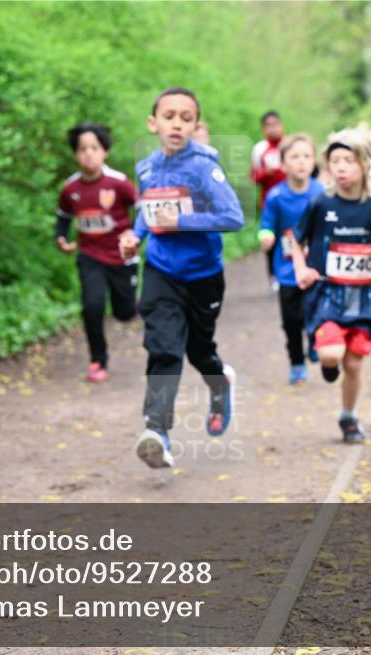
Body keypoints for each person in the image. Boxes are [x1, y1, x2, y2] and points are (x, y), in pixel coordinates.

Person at [118, 87, 244, 468]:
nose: (177, 123)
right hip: (160, 270)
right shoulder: (147, 168)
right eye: (169, 116)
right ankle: (157, 430)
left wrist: (182, 222)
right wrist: (134, 237)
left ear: (195, 125)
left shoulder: (205, 167)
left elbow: (233, 217)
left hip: (203, 275)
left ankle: (219, 384)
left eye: (186, 118)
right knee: (164, 347)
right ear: (153, 123)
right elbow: (147, 209)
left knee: (199, 350)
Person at [290, 129, 371, 443]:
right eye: (335, 161)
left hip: (364, 299)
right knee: (331, 354)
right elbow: (296, 240)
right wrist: (301, 268)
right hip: (327, 295)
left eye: (348, 161)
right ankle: (327, 362)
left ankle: (349, 417)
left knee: (353, 363)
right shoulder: (320, 203)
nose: (340, 167)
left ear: (365, 165)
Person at [55, 122, 139, 383]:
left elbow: (142, 211)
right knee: (92, 306)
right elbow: (64, 217)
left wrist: (133, 235)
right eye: (82, 149)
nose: (88, 154)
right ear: (75, 154)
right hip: (89, 255)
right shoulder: (70, 188)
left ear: (105, 152)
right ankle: (97, 361)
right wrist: (61, 237)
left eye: (94, 148)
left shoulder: (119, 183)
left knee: (125, 312)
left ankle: (134, 304)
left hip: (122, 256)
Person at [258, 134, 324, 385]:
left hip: (315, 266)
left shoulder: (321, 193)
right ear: (283, 164)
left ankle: (316, 340)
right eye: (294, 157)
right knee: (291, 321)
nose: (301, 162)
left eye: (307, 156)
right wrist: (265, 237)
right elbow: (267, 225)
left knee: (316, 309)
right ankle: (297, 362)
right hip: (286, 269)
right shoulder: (276, 196)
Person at [251, 110, 287, 292]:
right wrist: (266, 173)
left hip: (289, 202)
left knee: (290, 237)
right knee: (269, 240)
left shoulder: (289, 146)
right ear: (263, 129)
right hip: (268, 204)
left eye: (276, 124)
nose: (273, 129)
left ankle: (291, 272)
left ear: (281, 125)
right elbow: (253, 177)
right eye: (268, 126)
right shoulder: (259, 149)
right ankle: (273, 276)